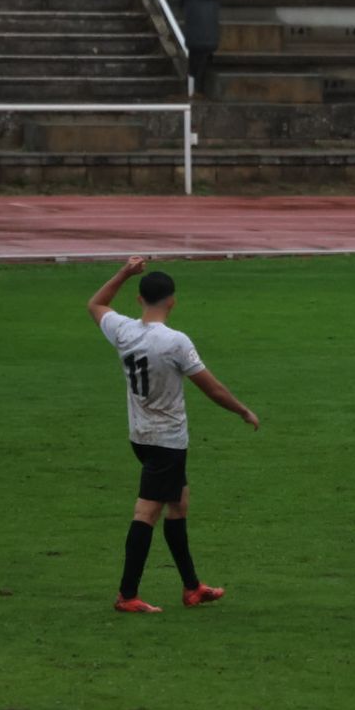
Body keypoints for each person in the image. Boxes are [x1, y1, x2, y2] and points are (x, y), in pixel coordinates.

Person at [88, 257, 259, 613]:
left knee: (179, 506)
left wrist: (123, 271)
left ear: (139, 299)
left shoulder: (123, 330)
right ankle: (127, 595)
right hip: (165, 440)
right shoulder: (175, 341)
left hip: (141, 434)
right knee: (147, 513)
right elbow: (212, 389)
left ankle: (192, 587)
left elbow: (96, 304)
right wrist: (242, 410)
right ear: (172, 301)